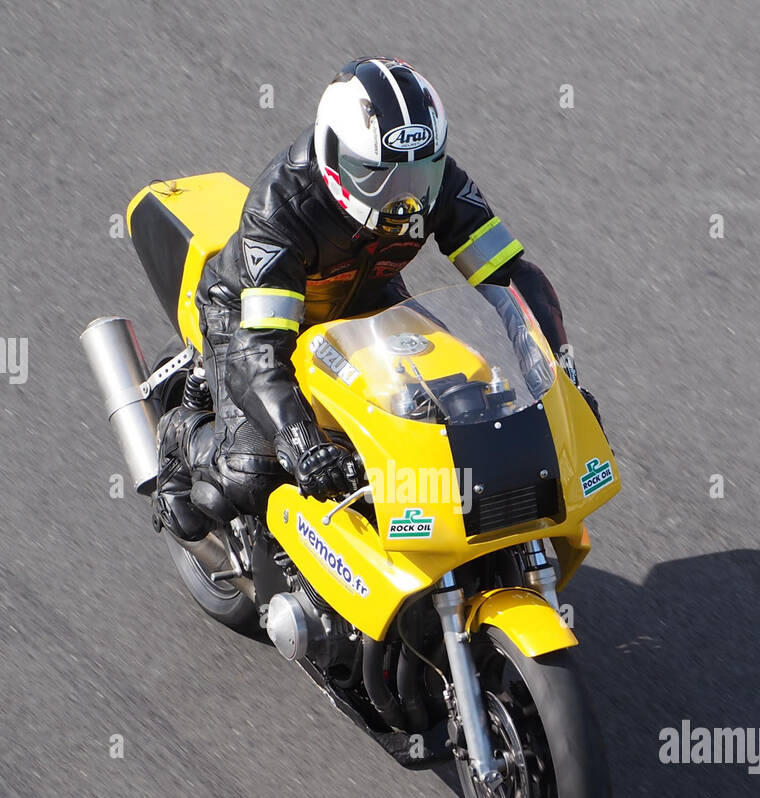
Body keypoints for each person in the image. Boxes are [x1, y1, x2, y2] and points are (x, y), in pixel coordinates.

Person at [154, 56, 598, 541]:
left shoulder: (441, 182)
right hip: (253, 318)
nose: (402, 200)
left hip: (368, 300)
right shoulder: (280, 211)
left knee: (465, 404)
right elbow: (261, 352)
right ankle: (183, 435)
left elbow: (510, 278)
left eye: (417, 176)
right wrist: (301, 442)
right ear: (333, 153)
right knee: (253, 476)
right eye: (379, 177)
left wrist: (561, 378)